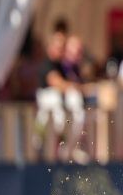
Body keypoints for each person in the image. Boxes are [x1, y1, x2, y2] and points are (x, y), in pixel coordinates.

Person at [34, 31, 88, 162]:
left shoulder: (64, 66)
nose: (60, 51)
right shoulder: (46, 64)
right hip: (48, 111)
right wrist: (77, 88)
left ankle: (68, 149)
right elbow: (56, 82)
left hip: (62, 115)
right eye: (58, 47)